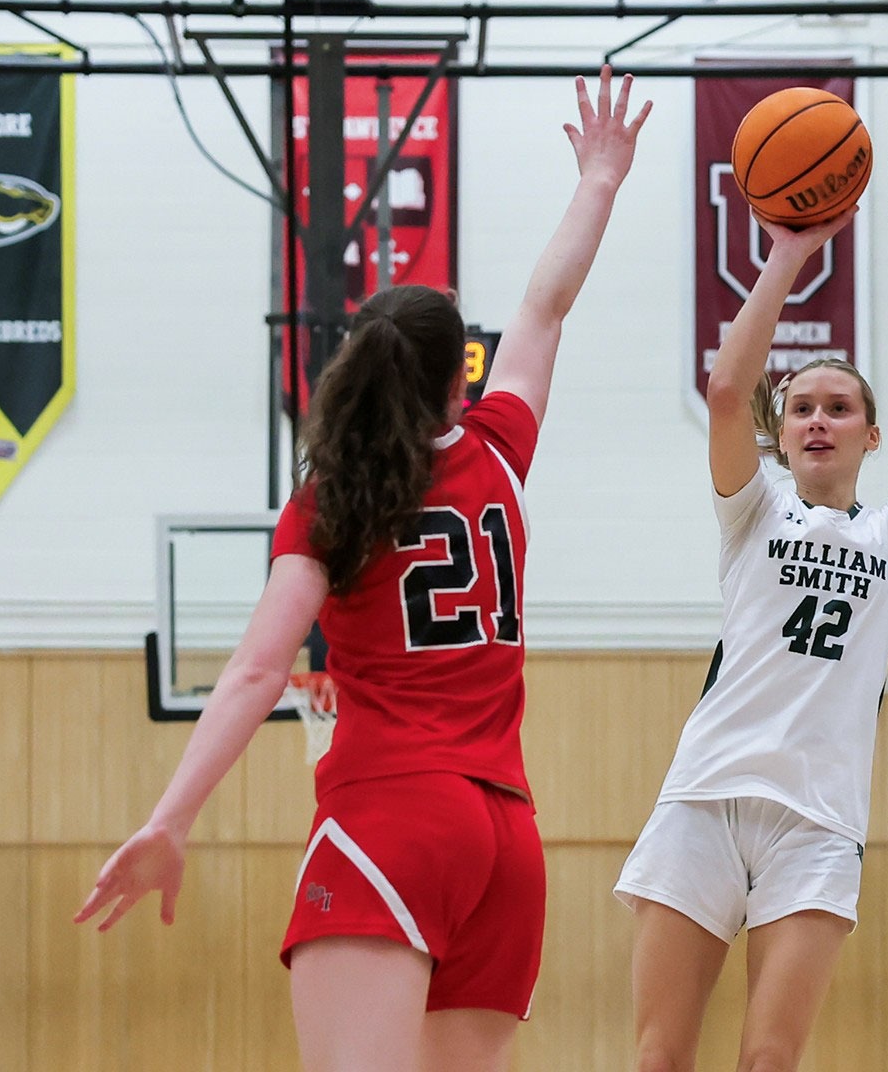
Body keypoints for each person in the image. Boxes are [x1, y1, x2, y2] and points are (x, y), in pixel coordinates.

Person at [73, 67, 651, 1072]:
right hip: (506, 839)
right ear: (454, 377)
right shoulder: (499, 453)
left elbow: (257, 673)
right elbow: (545, 309)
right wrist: (600, 178)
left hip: (393, 817)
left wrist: (171, 821)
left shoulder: (332, 501)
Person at [616, 145, 888, 1072]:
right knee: (659, 1058)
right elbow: (727, 389)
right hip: (707, 798)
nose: (814, 419)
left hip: (816, 822)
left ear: (869, 436)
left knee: (769, 1060)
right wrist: (789, 253)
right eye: (800, 405)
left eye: (838, 407)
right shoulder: (752, 512)